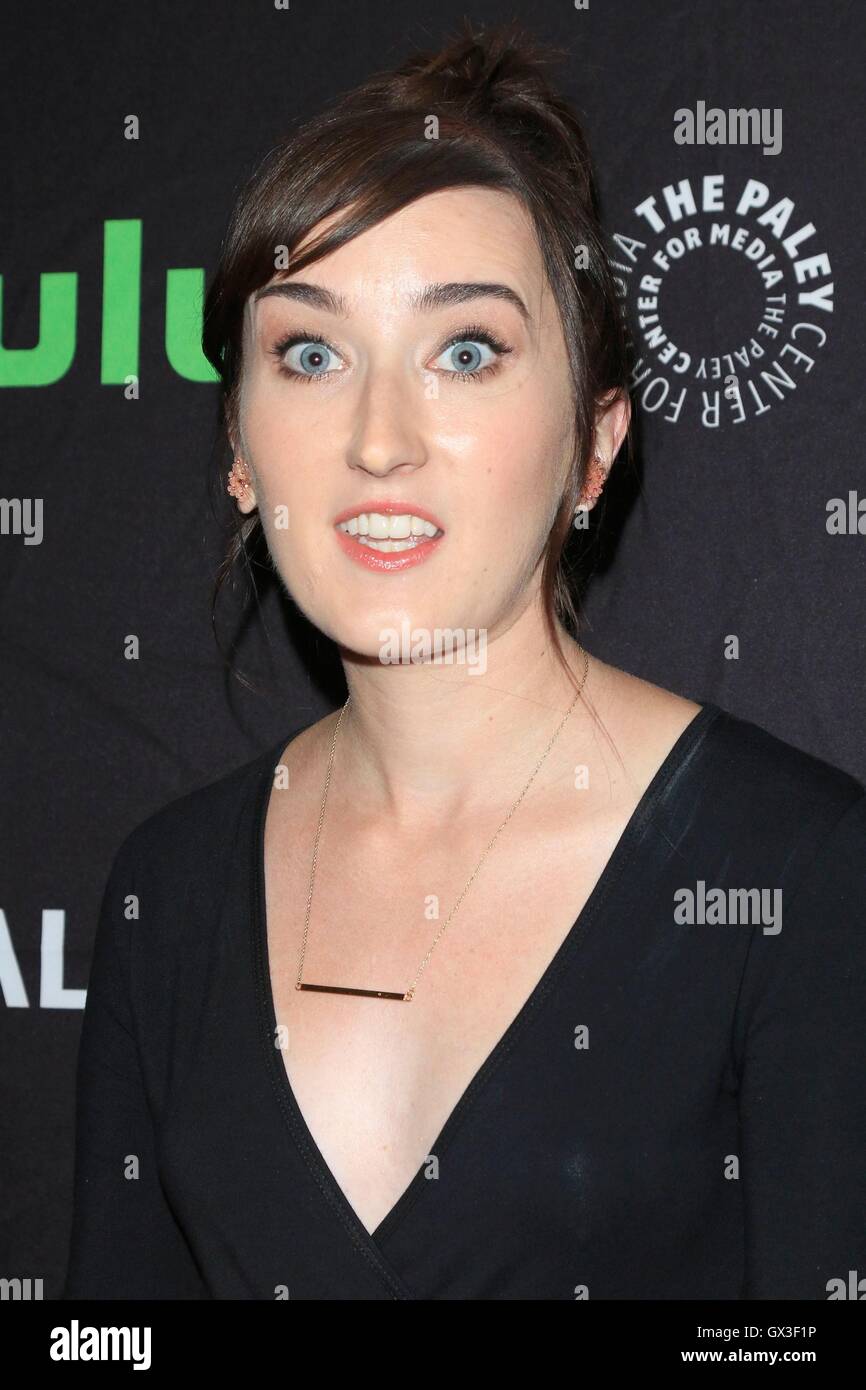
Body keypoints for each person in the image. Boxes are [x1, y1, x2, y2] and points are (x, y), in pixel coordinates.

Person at [62, 20, 866, 1300]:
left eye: (466, 351)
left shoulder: (799, 874)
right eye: (310, 353)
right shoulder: (169, 887)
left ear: (594, 442)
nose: (379, 437)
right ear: (238, 449)